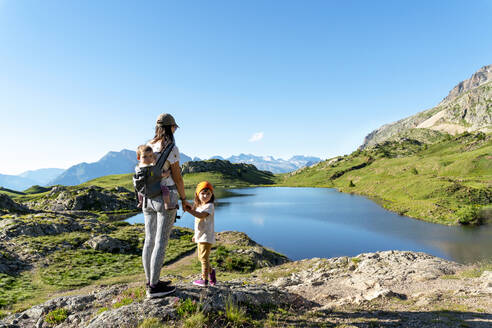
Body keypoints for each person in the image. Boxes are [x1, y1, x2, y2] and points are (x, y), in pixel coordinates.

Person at [142, 113, 191, 298]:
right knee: (161, 241)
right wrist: (184, 198)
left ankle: (150, 280)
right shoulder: (171, 148)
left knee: (149, 240)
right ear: (171, 128)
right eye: (175, 127)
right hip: (166, 197)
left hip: (147, 198)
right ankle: (154, 288)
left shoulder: (148, 145)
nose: (175, 130)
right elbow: (177, 177)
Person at [185, 181, 217, 287]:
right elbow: (198, 221)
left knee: (203, 258)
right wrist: (195, 235)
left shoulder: (209, 206)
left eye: (208, 193)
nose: (206, 196)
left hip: (206, 236)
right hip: (200, 236)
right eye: (203, 193)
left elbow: (201, 216)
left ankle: (204, 279)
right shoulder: (199, 205)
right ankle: (211, 272)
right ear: (197, 194)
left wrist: (188, 211)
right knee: (201, 258)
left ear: (212, 195)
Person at [134, 145, 172, 209]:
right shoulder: (150, 168)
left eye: (150, 156)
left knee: (139, 191)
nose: (148, 159)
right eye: (145, 157)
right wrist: (167, 173)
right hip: (153, 189)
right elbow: (159, 174)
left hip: (144, 190)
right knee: (165, 189)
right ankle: (167, 203)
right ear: (138, 158)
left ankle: (140, 202)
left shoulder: (138, 168)